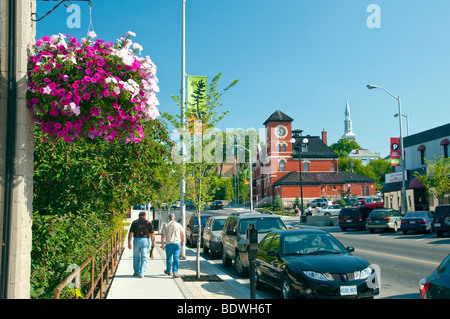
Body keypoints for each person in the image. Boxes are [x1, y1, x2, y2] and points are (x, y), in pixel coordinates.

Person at [128, 211, 155, 278]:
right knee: (144, 257)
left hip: (137, 240)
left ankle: (136, 271)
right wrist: (153, 243)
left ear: (139, 216)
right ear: (145, 216)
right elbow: (152, 234)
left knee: (136, 256)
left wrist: (129, 242)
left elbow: (130, 233)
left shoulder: (134, 223)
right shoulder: (148, 223)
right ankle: (142, 273)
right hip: (145, 240)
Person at [161, 213, 185, 278]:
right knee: (176, 258)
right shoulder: (178, 225)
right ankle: (175, 272)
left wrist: (162, 244)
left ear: (169, 218)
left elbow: (163, 235)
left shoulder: (166, 225)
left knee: (168, 258)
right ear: (174, 218)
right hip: (177, 243)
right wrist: (182, 241)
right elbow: (182, 234)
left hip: (169, 243)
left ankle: (169, 270)